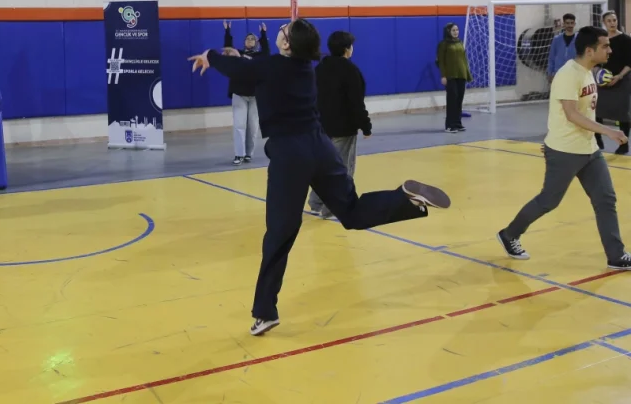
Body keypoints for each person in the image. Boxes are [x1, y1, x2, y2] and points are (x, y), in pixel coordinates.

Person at [189, 19, 451, 335]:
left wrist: (211, 55)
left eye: (284, 31)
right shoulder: (302, 68)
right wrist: (237, 57)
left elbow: (240, 70)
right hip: (321, 146)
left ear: (287, 44)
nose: (280, 30)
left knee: (280, 234)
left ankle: (265, 311)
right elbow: (255, 67)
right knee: (352, 212)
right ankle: (404, 199)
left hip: (291, 153)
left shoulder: (272, 67)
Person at [497, 26, 631, 271]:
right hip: (565, 151)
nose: (610, 50)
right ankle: (509, 234)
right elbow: (571, 114)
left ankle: (617, 255)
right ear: (590, 51)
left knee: (605, 199)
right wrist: (609, 131)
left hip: (589, 149)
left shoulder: (588, 72)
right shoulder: (568, 74)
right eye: (605, 46)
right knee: (549, 201)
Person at [309, 31, 373, 220]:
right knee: (342, 169)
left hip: (321, 127)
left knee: (324, 166)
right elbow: (356, 103)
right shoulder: (350, 71)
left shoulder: (320, 68)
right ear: (347, 49)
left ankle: (316, 203)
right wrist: (366, 126)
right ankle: (333, 208)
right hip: (343, 128)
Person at [223, 21, 269, 165]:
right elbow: (228, 50)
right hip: (239, 94)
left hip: (255, 96)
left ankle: (249, 153)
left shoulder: (260, 56)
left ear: (257, 42)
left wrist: (263, 34)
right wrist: (227, 32)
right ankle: (239, 154)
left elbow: (267, 52)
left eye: (252, 39)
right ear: (244, 42)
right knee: (239, 125)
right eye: (247, 39)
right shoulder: (238, 55)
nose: (249, 40)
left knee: (252, 127)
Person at [595, 11, 631, 155]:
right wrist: (598, 74)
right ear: (604, 23)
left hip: (622, 80)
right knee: (596, 110)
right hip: (603, 81)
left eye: (614, 20)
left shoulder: (626, 40)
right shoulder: (601, 40)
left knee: (622, 113)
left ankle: (624, 144)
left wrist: (619, 76)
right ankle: (597, 139)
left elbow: (630, 62)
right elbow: (596, 60)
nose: (612, 23)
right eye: (609, 21)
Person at [437, 23, 470, 133]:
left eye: (457, 30)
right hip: (450, 76)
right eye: (453, 30)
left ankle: (457, 123)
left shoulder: (460, 42)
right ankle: (450, 125)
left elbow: (463, 60)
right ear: (448, 32)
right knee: (452, 100)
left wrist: (467, 74)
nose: (456, 32)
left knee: (459, 100)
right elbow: (441, 61)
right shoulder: (443, 44)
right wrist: (443, 75)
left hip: (461, 75)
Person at [546, 13, 579, 81]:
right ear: (563, 24)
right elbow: (551, 57)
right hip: (558, 73)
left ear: (574, 24)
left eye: (572, 23)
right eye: (567, 23)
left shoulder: (579, 39)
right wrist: (550, 73)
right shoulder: (557, 39)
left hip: (574, 74)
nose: (570, 25)